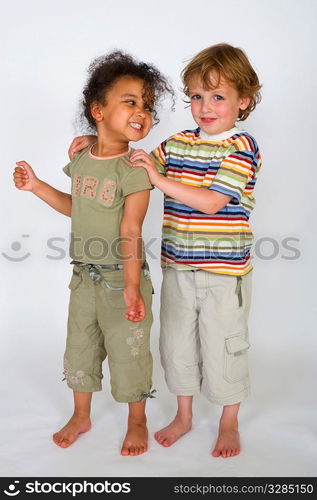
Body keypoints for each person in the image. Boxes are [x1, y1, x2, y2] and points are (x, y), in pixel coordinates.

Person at [68, 43, 262, 458]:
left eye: (218, 96)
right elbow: (131, 161)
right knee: (176, 345)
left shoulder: (241, 147)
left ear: (243, 101)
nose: (205, 106)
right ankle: (184, 414)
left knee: (223, 345)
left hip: (224, 274)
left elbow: (210, 201)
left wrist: (158, 178)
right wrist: (94, 137)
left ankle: (229, 421)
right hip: (178, 267)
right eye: (196, 96)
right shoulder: (177, 144)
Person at [13, 50, 173, 456]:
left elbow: (131, 228)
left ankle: (137, 419)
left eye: (148, 105)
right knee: (80, 346)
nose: (142, 111)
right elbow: (75, 206)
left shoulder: (137, 166)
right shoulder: (83, 158)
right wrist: (36, 186)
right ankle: (81, 415)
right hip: (83, 276)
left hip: (124, 276)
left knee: (128, 351)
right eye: (131, 101)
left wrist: (133, 289)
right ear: (98, 110)